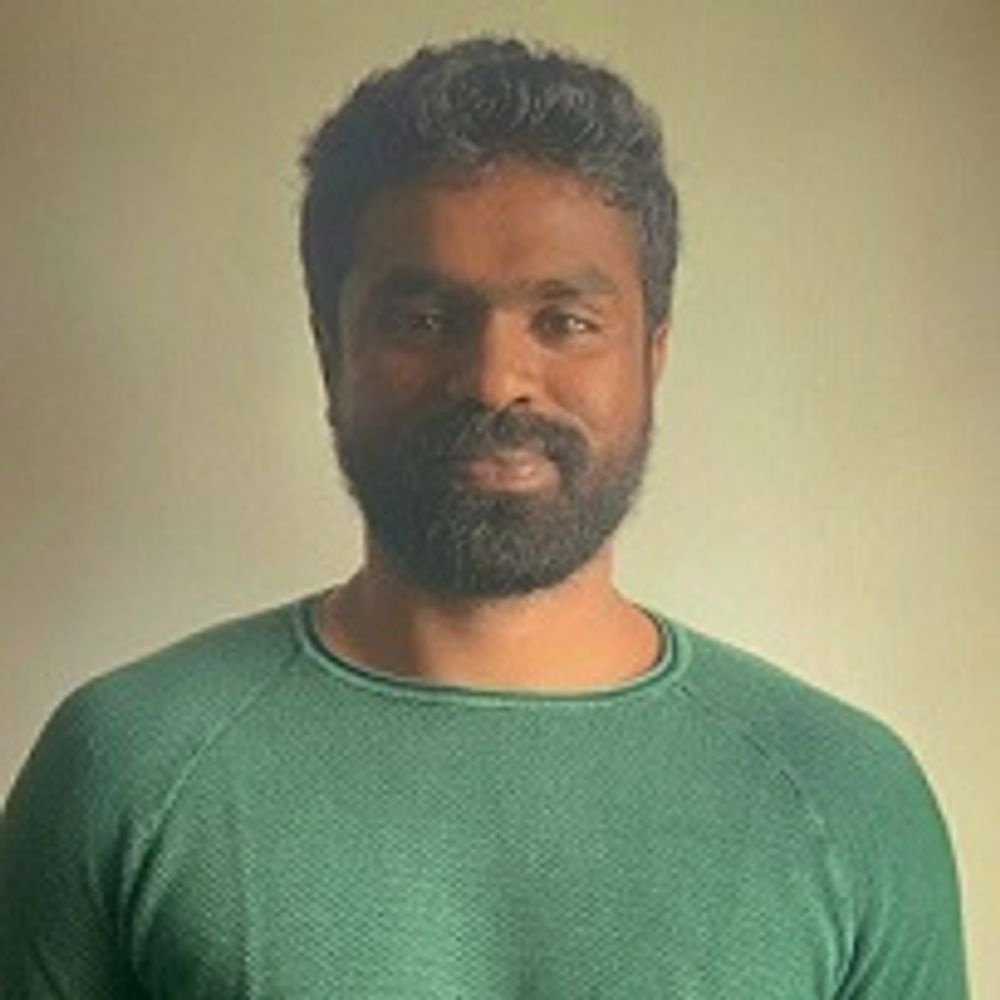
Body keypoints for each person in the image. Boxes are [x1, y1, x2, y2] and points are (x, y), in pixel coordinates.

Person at [0, 36, 967, 999]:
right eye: (423, 321)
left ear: (653, 356)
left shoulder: (846, 799)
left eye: (565, 321)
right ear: (332, 351)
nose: (496, 380)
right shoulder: (125, 769)